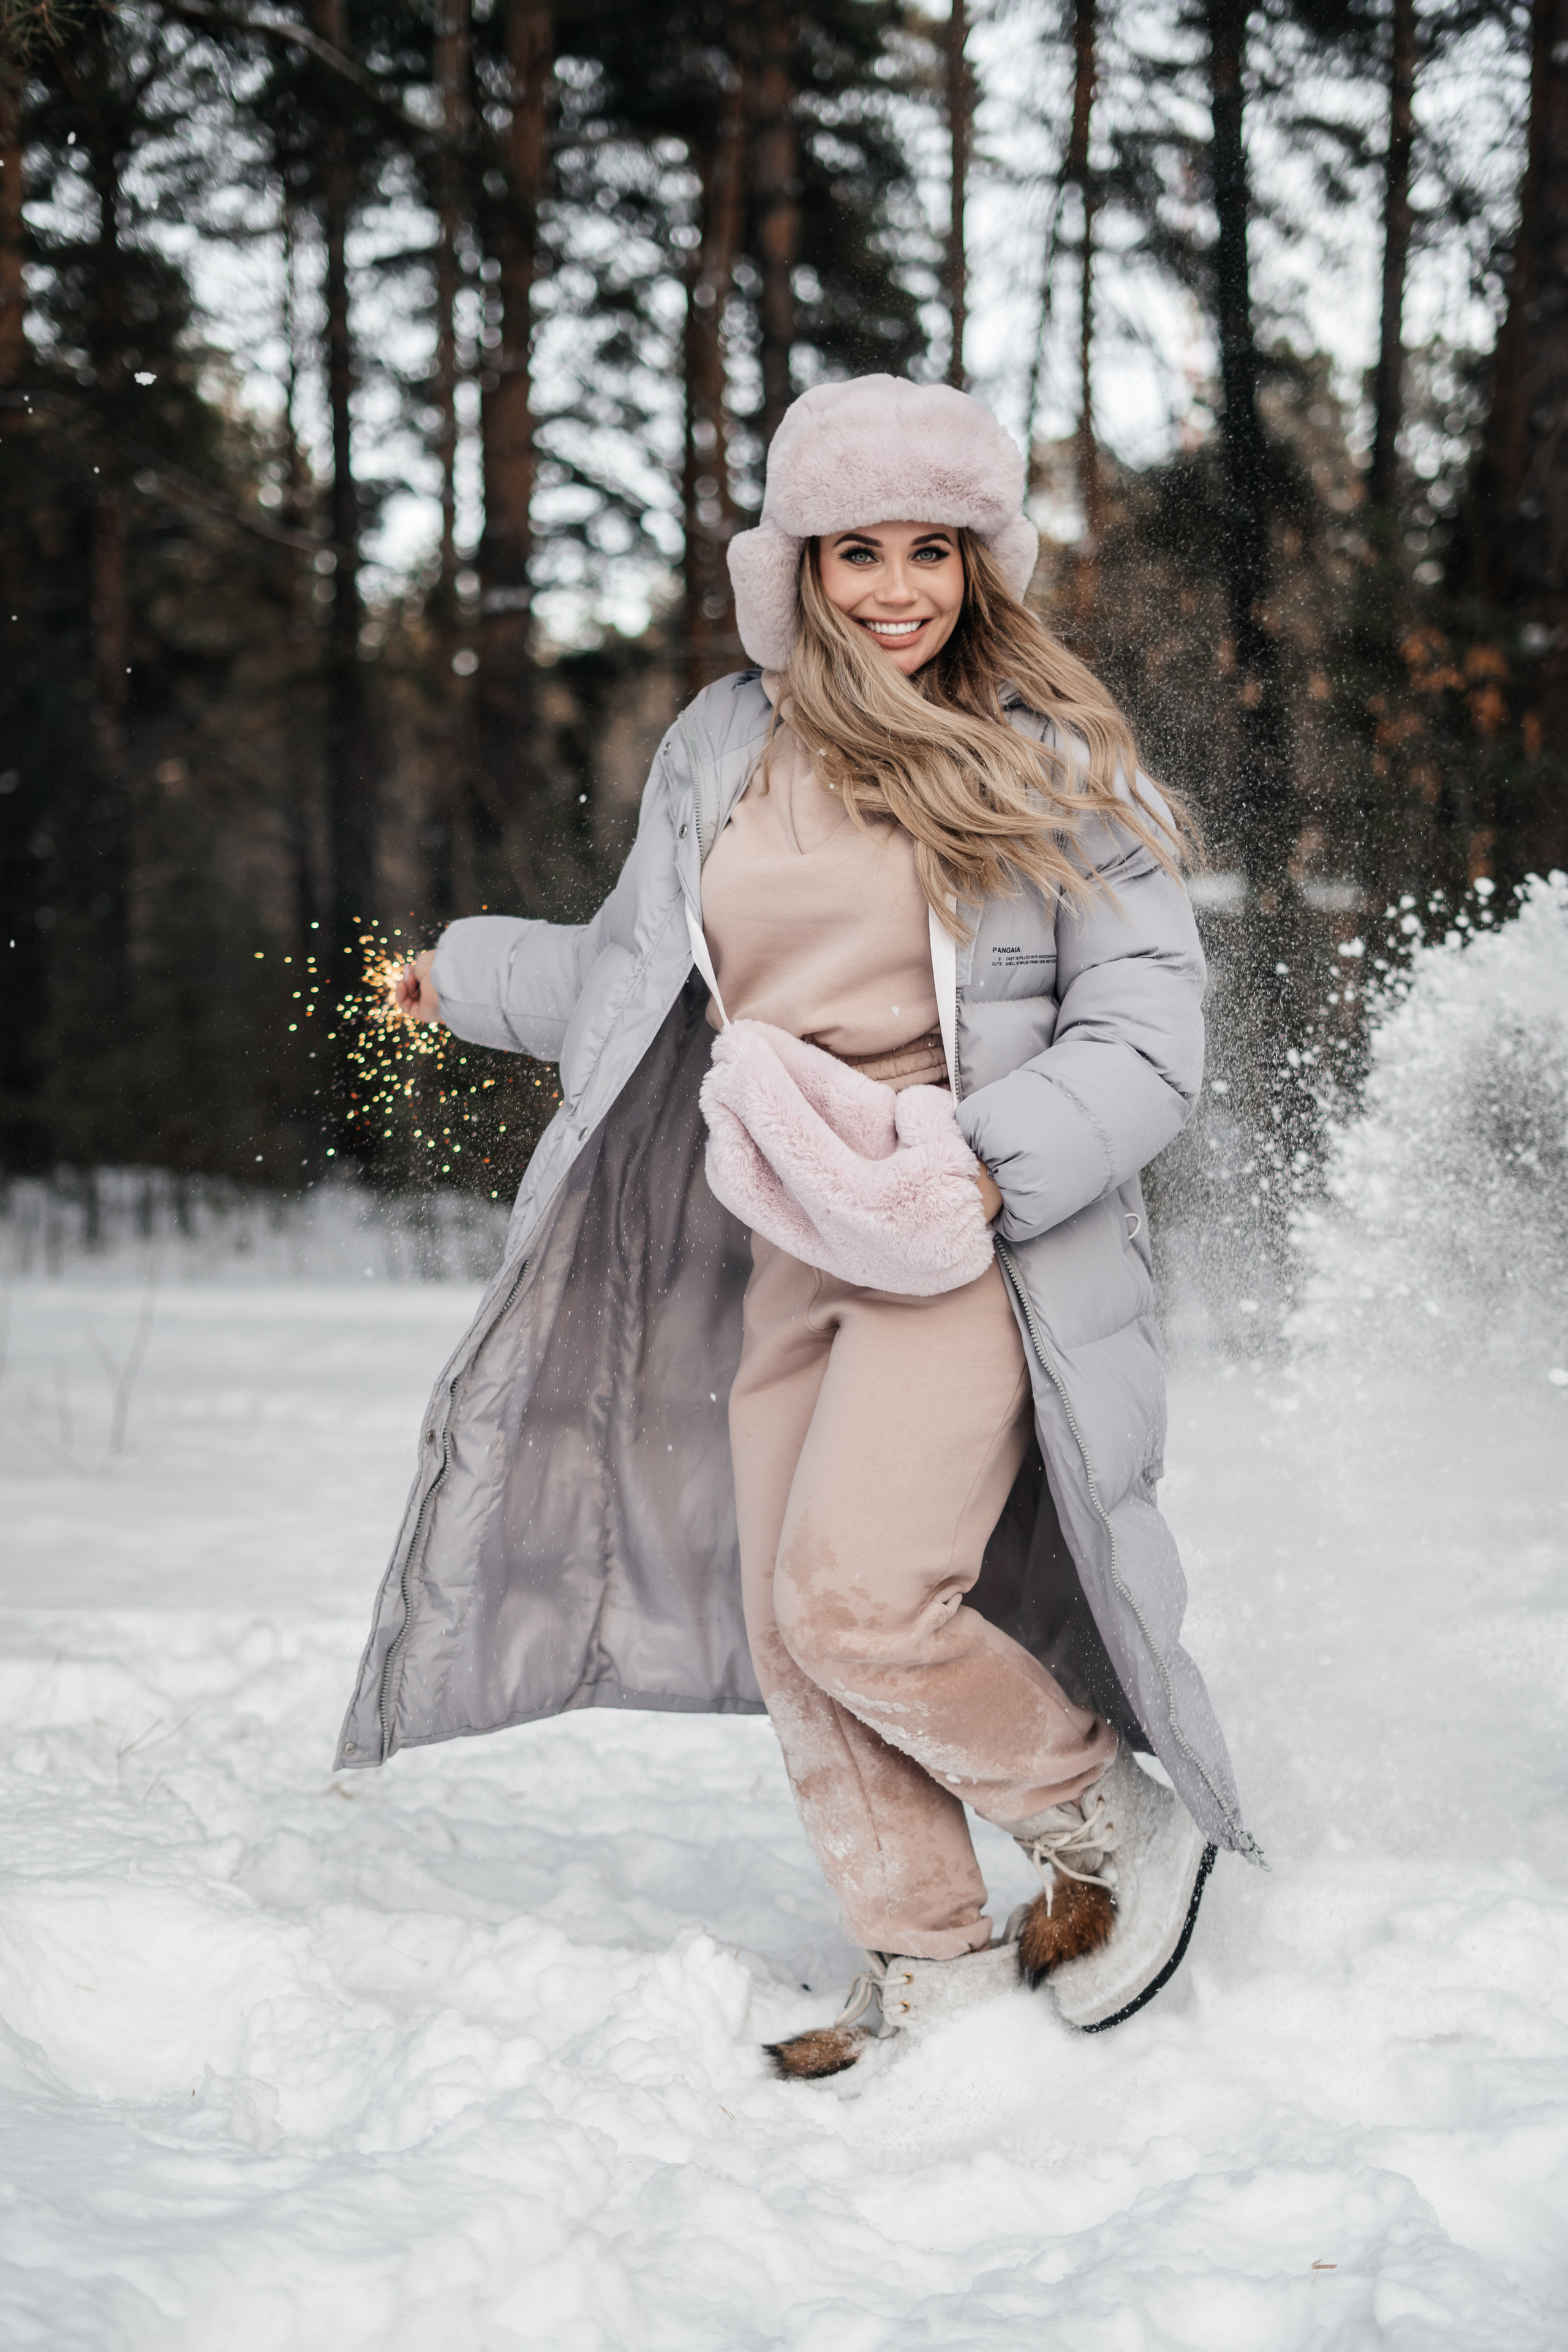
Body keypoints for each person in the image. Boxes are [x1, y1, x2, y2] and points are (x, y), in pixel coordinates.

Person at [341, 374, 1259, 2081]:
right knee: (794, 1624)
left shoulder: (1052, 760)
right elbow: (634, 975)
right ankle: (930, 1959)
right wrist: (456, 974)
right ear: (800, 565)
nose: (896, 589)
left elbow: (1148, 1041)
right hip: (785, 1233)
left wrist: (980, 1169)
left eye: (933, 549)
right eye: (858, 552)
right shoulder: (723, 741)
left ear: (984, 564)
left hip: (968, 1237)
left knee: (858, 1594)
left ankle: (1107, 1822)